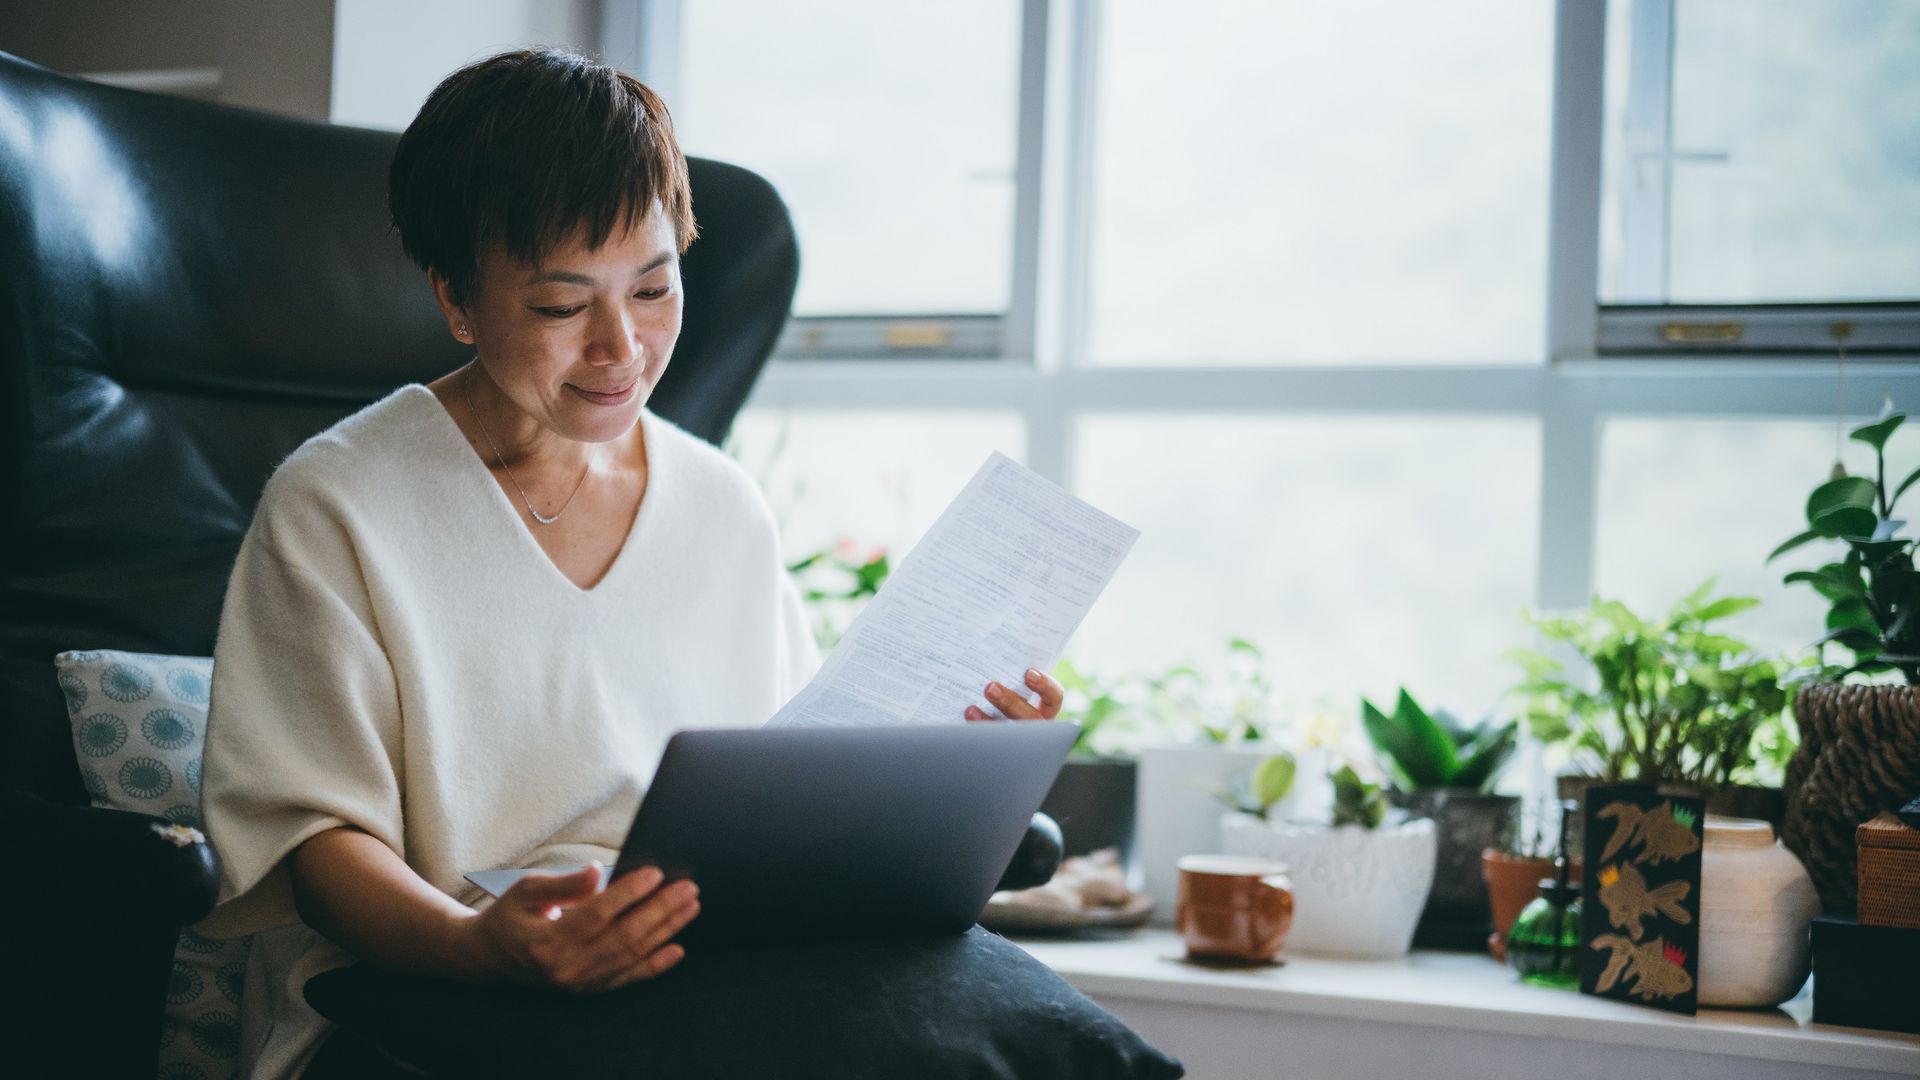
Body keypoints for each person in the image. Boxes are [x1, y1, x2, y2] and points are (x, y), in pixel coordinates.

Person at [194, 47, 1065, 1079]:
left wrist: (960, 770)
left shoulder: (722, 507)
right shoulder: (337, 503)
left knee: (1031, 1035)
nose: (622, 348)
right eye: (563, 307)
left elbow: (791, 795)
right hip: (416, 993)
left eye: (653, 288)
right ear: (458, 301)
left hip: (713, 967)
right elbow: (314, 843)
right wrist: (479, 947)